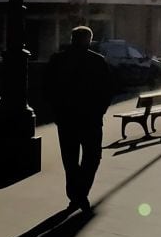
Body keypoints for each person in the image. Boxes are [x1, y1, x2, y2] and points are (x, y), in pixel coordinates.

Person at [44, 26, 116, 211]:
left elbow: (48, 88)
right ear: (89, 40)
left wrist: (56, 113)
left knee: (70, 159)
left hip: (66, 119)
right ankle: (81, 192)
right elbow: (107, 90)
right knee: (92, 157)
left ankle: (75, 194)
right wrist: (100, 111)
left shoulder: (58, 60)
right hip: (90, 119)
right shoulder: (97, 61)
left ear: (72, 38)